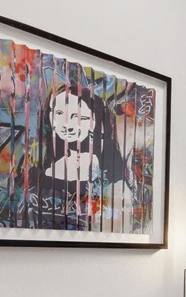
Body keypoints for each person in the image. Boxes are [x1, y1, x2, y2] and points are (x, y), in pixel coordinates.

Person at [28, 81, 129, 230]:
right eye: (59, 114)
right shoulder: (43, 165)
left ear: (93, 121)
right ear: (50, 117)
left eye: (78, 116)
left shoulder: (108, 170)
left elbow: (119, 213)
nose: (67, 124)